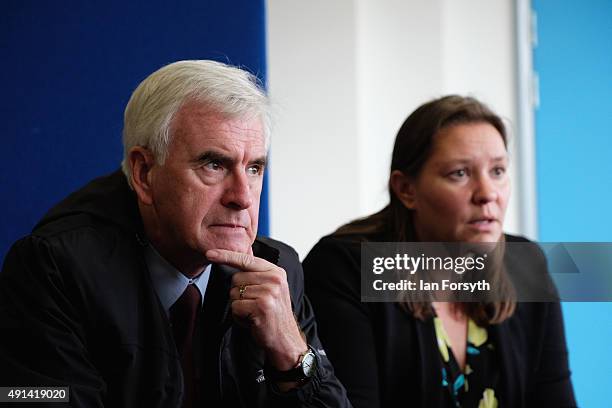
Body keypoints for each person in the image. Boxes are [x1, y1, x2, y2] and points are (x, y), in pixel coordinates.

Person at [0, 60, 351, 408]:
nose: (242, 197)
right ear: (144, 173)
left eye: (254, 168)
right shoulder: (55, 268)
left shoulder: (278, 269)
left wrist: (291, 353)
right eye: (214, 165)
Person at [303, 95, 576, 408]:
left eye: (498, 171)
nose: (488, 194)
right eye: (459, 173)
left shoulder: (524, 265)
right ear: (406, 190)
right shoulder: (346, 269)